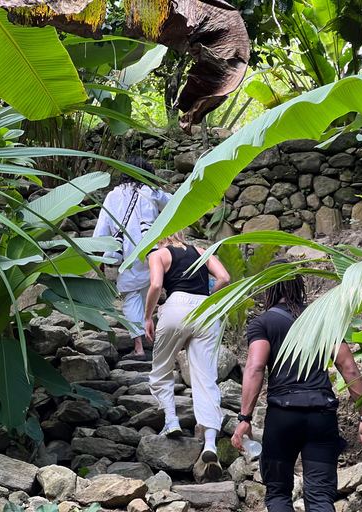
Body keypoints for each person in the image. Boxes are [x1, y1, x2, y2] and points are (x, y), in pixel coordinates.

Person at [231, 260, 362, 511]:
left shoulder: (263, 323)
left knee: (278, 493)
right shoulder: (324, 320)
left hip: (283, 415)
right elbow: (348, 367)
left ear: (269, 287)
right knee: (320, 496)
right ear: (299, 286)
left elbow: (255, 368)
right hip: (321, 415)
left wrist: (244, 418)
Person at [143, 230, 231, 479]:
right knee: (206, 378)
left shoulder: (158, 254)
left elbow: (156, 285)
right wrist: (208, 300)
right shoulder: (201, 251)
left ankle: (171, 420)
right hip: (206, 310)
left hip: (176, 306)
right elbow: (224, 277)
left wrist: (148, 316)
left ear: (160, 237)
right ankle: (210, 442)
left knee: (161, 368)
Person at [93, 157, 172, 361]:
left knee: (130, 297)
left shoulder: (113, 195)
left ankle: (138, 346)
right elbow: (174, 204)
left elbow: (102, 228)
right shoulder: (152, 191)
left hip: (125, 252)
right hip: (150, 249)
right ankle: (151, 337)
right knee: (148, 291)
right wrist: (157, 182)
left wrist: (100, 257)